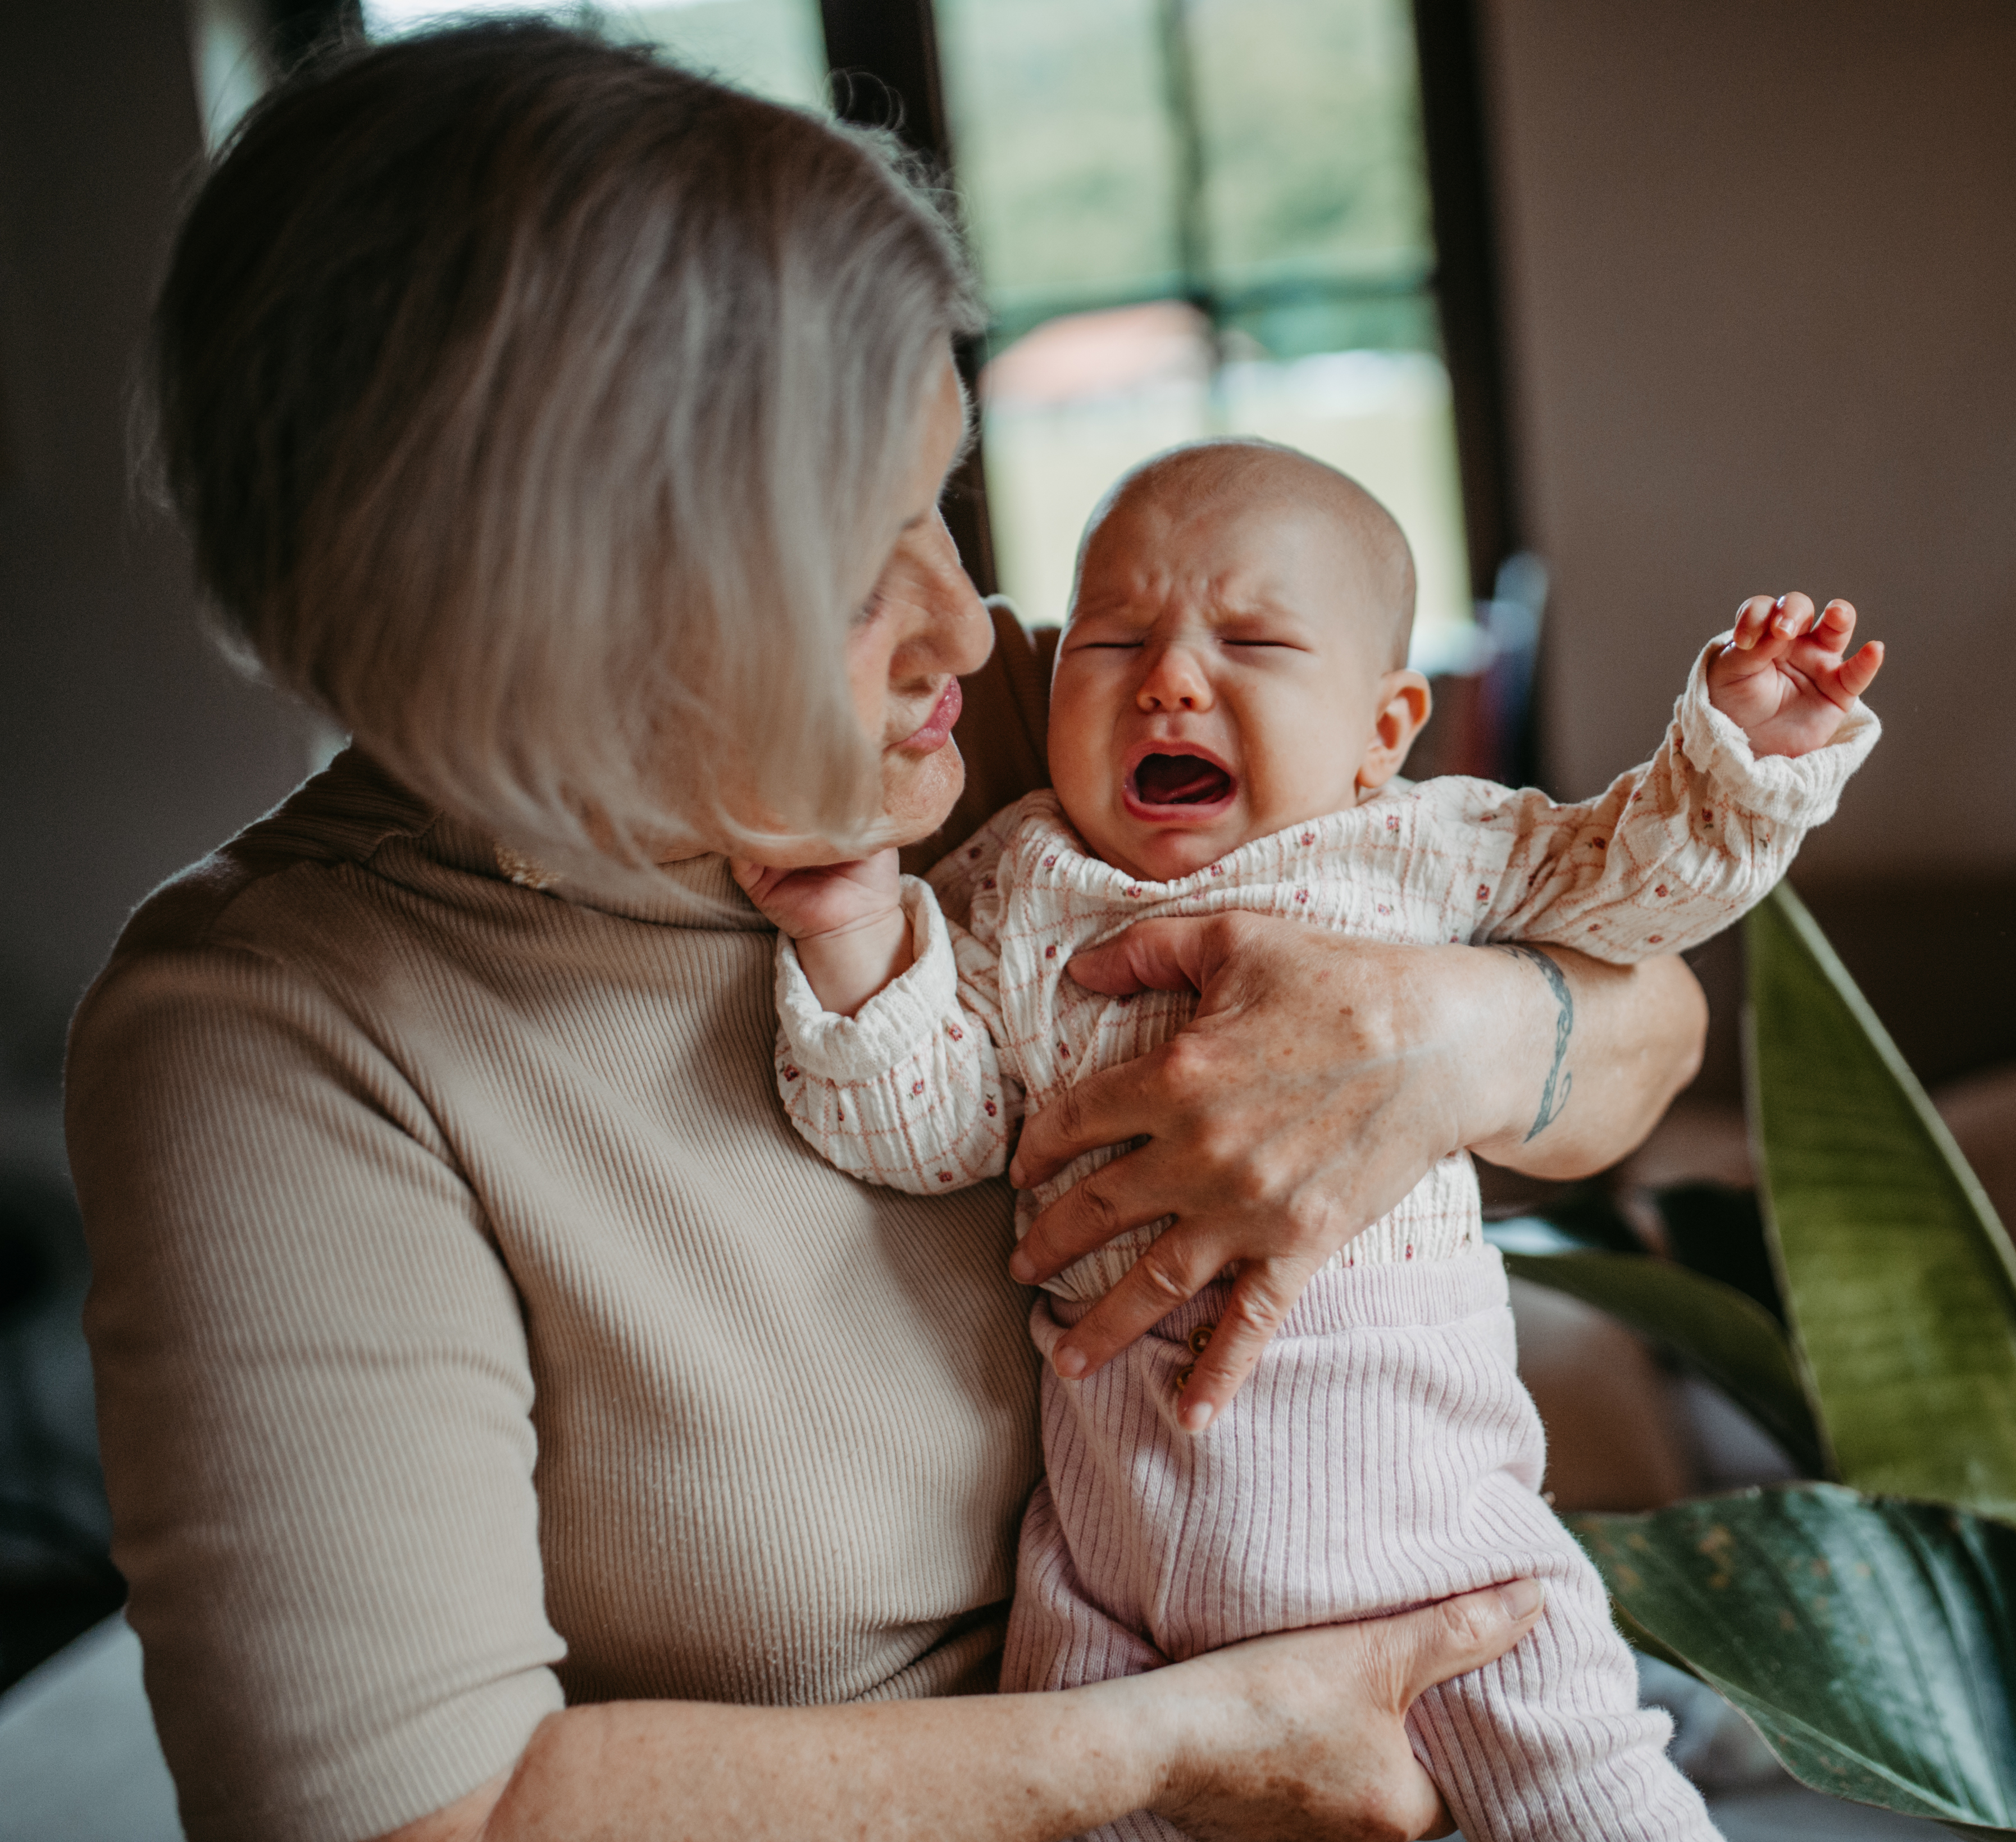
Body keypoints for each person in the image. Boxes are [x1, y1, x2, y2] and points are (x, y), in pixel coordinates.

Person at [63, 25, 1709, 1842]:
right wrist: (1172, 1741)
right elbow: (407, 1821)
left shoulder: (996, 730)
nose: (960, 614)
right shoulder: (267, 1037)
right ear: (549, 631)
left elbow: (1647, 1026)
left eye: (942, 493)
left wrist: (1437, 1044)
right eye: (848, 573)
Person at [740, 438, 1883, 1842]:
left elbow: (1631, 900)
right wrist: (857, 929)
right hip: (1117, 1586)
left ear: (1382, 728)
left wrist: (1741, 754)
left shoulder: (1424, 847)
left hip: (1442, 1564)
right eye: (1111, 637)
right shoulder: (1016, 882)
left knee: (1594, 1802)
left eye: (1254, 638)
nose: (1166, 676)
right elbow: (931, 1128)